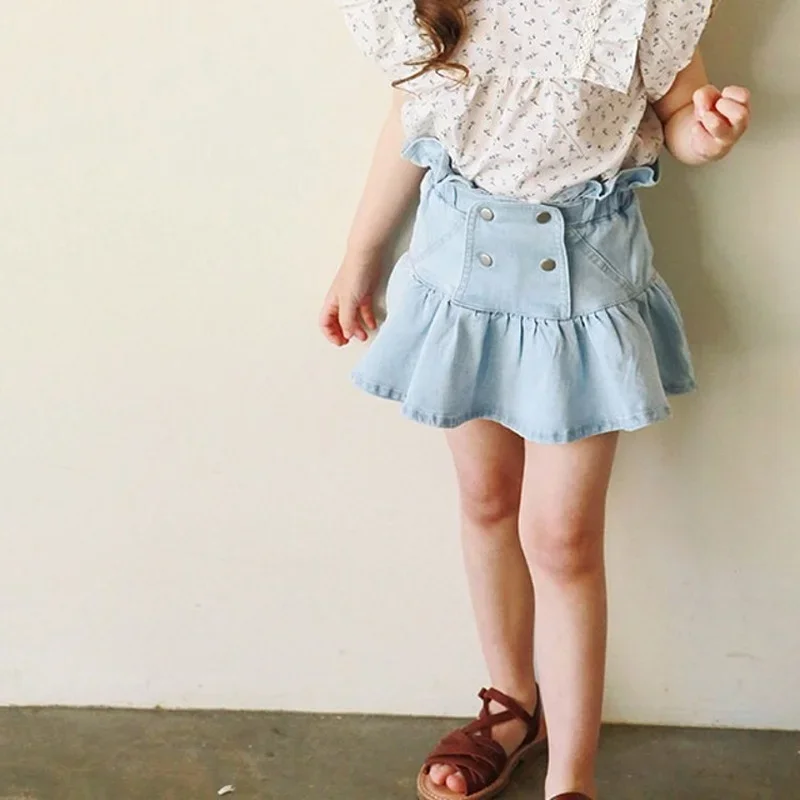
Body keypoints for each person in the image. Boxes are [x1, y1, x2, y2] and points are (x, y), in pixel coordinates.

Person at [320, 2, 750, 798]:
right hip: (460, 276)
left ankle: (571, 776)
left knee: (562, 538)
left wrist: (708, 132)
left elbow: (680, 118)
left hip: (582, 283)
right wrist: (361, 254)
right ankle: (511, 705)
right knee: (487, 500)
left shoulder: (637, 9)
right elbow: (411, 114)